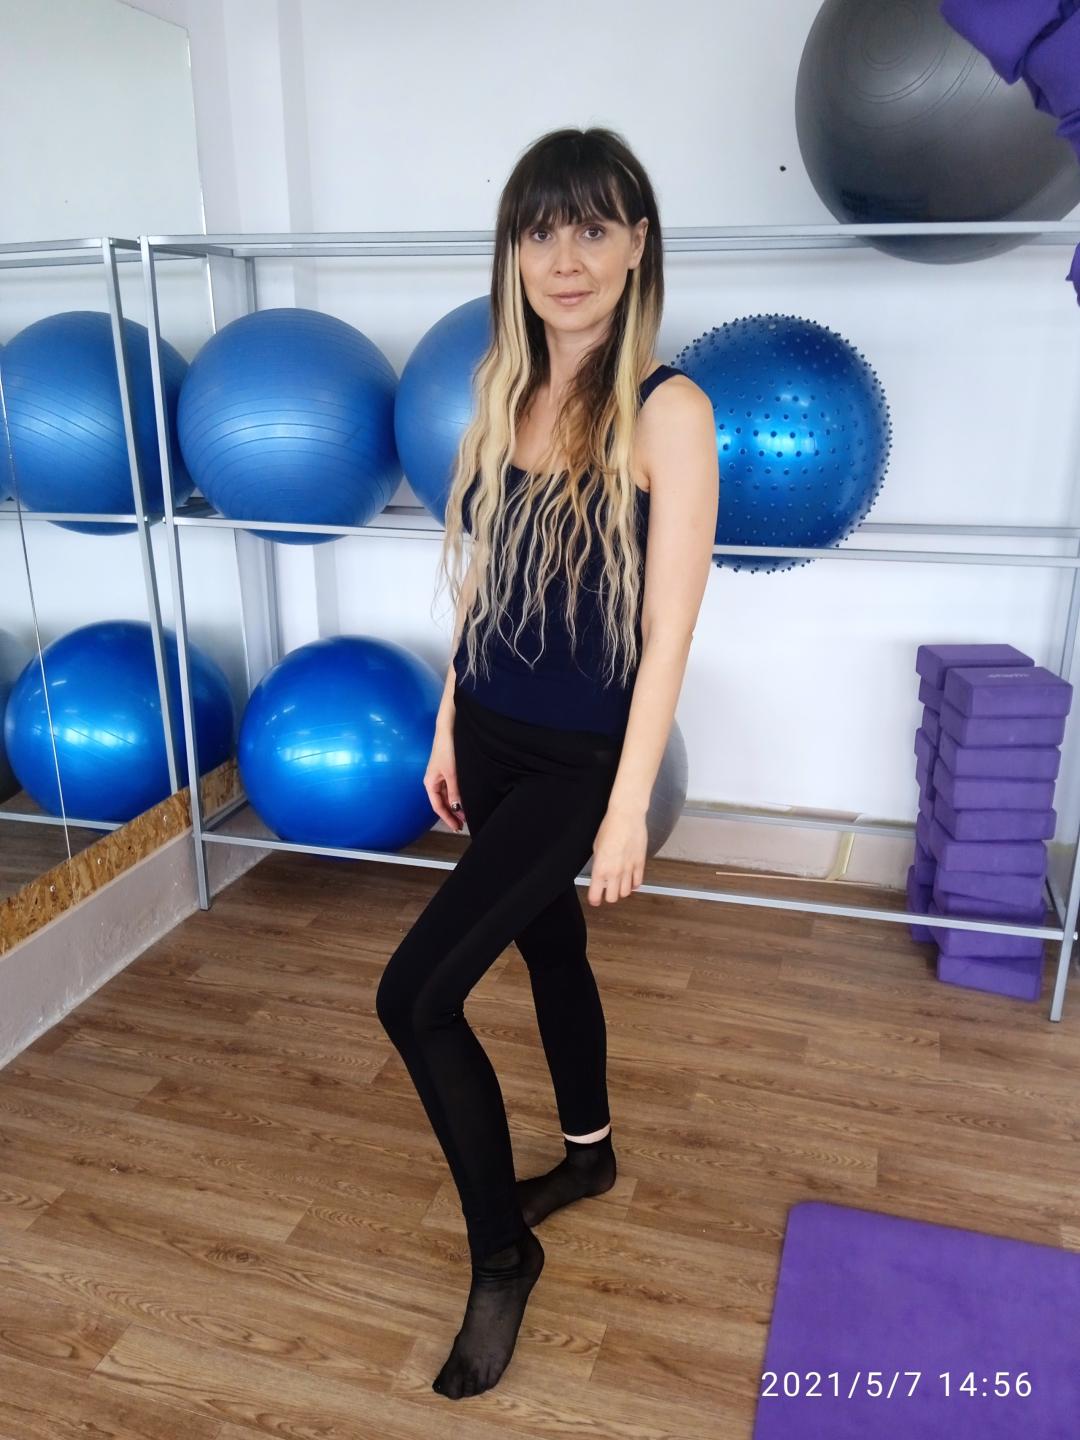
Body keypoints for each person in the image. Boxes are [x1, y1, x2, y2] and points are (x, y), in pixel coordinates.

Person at [375, 126, 718, 1401]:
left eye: (592, 228)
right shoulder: (505, 389)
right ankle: (588, 1154)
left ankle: (502, 1257)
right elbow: (485, 580)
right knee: (550, 950)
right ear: (513, 252)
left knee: (413, 999)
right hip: (492, 735)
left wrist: (624, 811)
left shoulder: (670, 410)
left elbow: (669, 629)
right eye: (540, 230)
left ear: (636, 248)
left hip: (579, 762)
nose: (564, 258)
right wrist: (446, 722)